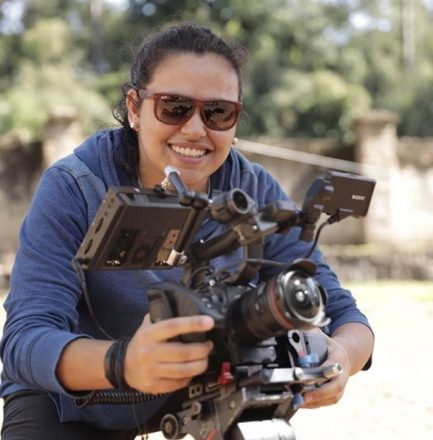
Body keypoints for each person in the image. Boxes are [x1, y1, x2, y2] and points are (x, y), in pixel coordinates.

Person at [0, 22, 374, 439]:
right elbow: (25, 340)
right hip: (75, 400)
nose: (196, 129)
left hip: (205, 388)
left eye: (218, 112)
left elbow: (341, 311)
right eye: (174, 107)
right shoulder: (76, 185)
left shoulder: (252, 187)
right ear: (134, 108)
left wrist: (338, 358)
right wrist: (123, 363)